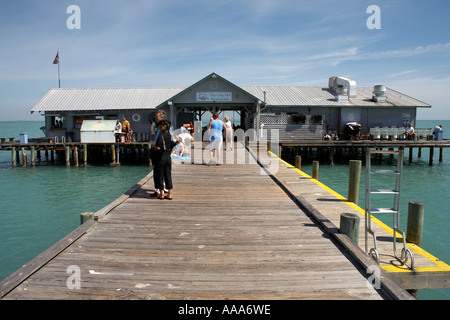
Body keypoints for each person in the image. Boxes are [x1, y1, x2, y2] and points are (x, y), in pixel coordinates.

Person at [154, 120, 177, 200]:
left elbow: (159, 148)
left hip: (161, 158)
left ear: (164, 127)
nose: (159, 128)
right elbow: (173, 145)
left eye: (160, 126)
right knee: (168, 176)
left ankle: (161, 194)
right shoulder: (170, 136)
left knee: (160, 176)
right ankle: (169, 194)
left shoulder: (161, 136)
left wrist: (154, 146)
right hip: (168, 158)